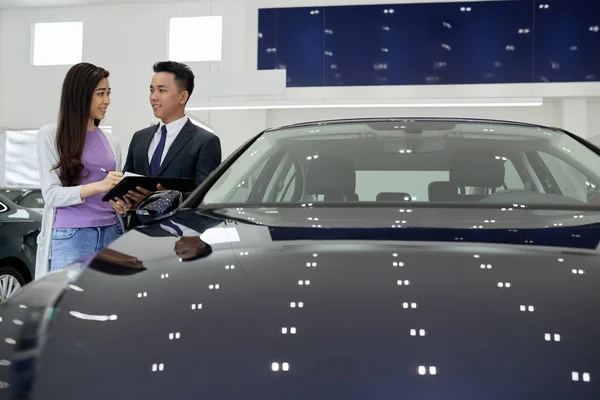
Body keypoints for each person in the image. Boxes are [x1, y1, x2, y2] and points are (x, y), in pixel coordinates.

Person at [35, 63, 124, 278]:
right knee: (66, 305)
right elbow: (51, 194)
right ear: (81, 95)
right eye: (100, 94)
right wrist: (97, 186)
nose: (107, 101)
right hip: (71, 237)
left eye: (108, 94)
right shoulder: (50, 135)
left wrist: (122, 204)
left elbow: (111, 192)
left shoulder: (113, 142)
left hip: (112, 231)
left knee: (108, 306)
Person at [110, 61, 221, 214]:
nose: (153, 97)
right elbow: (127, 183)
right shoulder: (139, 138)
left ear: (183, 97)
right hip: (137, 230)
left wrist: (167, 199)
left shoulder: (205, 141)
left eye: (161, 90)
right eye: (151, 90)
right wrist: (122, 202)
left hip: (178, 232)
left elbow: (207, 196)